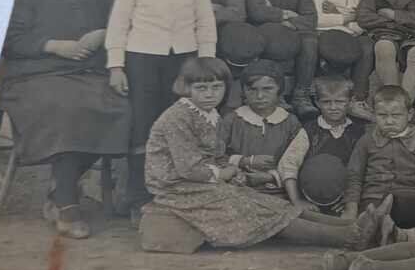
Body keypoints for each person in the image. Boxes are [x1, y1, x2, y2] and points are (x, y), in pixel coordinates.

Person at [144, 57, 389, 251]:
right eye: (201, 88)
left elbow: (213, 156)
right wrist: (227, 171)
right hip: (176, 187)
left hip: (199, 182)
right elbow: (189, 168)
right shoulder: (178, 117)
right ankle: (346, 236)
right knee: (249, 209)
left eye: (216, 87)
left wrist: (232, 173)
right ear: (186, 88)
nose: (210, 94)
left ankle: (346, 223)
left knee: (264, 202)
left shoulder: (208, 114)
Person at [1, 0, 133, 239]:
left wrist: (104, 32)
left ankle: (62, 186)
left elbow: (124, 24)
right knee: (67, 107)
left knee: (123, 108)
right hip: (36, 77)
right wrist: (53, 45)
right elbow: (9, 40)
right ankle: (67, 203)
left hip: (89, 75)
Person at [106, 0, 216, 224]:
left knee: (178, 124)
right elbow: (118, 27)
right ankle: (138, 196)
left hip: (183, 60)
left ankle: (172, 193)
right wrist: (116, 66)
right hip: (141, 59)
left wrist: (205, 65)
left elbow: (206, 25)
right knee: (143, 125)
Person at [239, 0, 320, 119]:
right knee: (277, 37)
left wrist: (289, 22)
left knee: (310, 41)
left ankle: (302, 94)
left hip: (293, 31)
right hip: (264, 30)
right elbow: (256, 11)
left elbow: (311, 19)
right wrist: (284, 14)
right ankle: (278, 95)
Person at [217, 60, 311, 207]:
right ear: (244, 91)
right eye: (252, 89)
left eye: (268, 89)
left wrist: (270, 177)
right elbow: (214, 156)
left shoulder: (290, 122)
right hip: (237, 188)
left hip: (278, 190)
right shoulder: (232, 120)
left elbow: (296, 161)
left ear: (279, 90)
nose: (259, 96)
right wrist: (244, 161)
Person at [343, 86, 415, 228]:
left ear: (410, 114)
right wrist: (351, 208)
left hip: (409, 199)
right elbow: (354, 175)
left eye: (396, 115)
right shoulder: (366, 141)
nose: (389, 121)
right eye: (382, 115)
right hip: (374, 198)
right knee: (367, 222)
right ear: (374, 115)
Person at [310, 0, 374, 120]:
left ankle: (357, 99)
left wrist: (341, 15)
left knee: (367, 46)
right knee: (315, 45)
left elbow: (364, 22)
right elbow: (317, 19)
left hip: (353, 35)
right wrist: (347, 17)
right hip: (324, 32)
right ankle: (315, 94)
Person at [298, 76, 368, 215]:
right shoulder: (308, 130)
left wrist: (349, 200)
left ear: (351, 101)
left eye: (340, 102)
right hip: (310, 197)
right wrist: (300, 199)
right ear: (317, 102)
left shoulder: (359, 131)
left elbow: (364, 169)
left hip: (347, 197)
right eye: (326, 102)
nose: (333, 107)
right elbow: (293, 166)